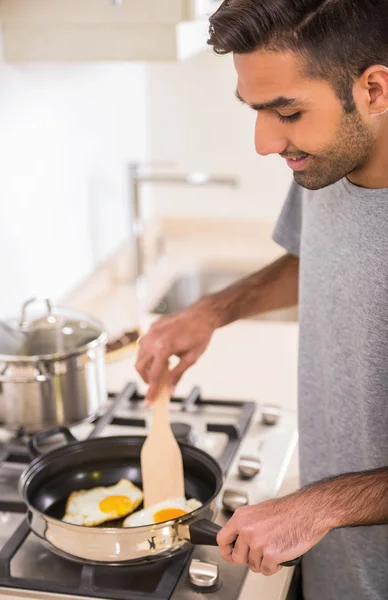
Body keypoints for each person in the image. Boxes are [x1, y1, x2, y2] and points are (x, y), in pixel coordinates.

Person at [135, 1, 388, 599]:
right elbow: (315, 257)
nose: (264, 142)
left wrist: (319, 506)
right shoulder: (327, 162)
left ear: (374, 88)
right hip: (336, 568)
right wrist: (210, 312)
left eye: (288, 111)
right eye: (256, 111)